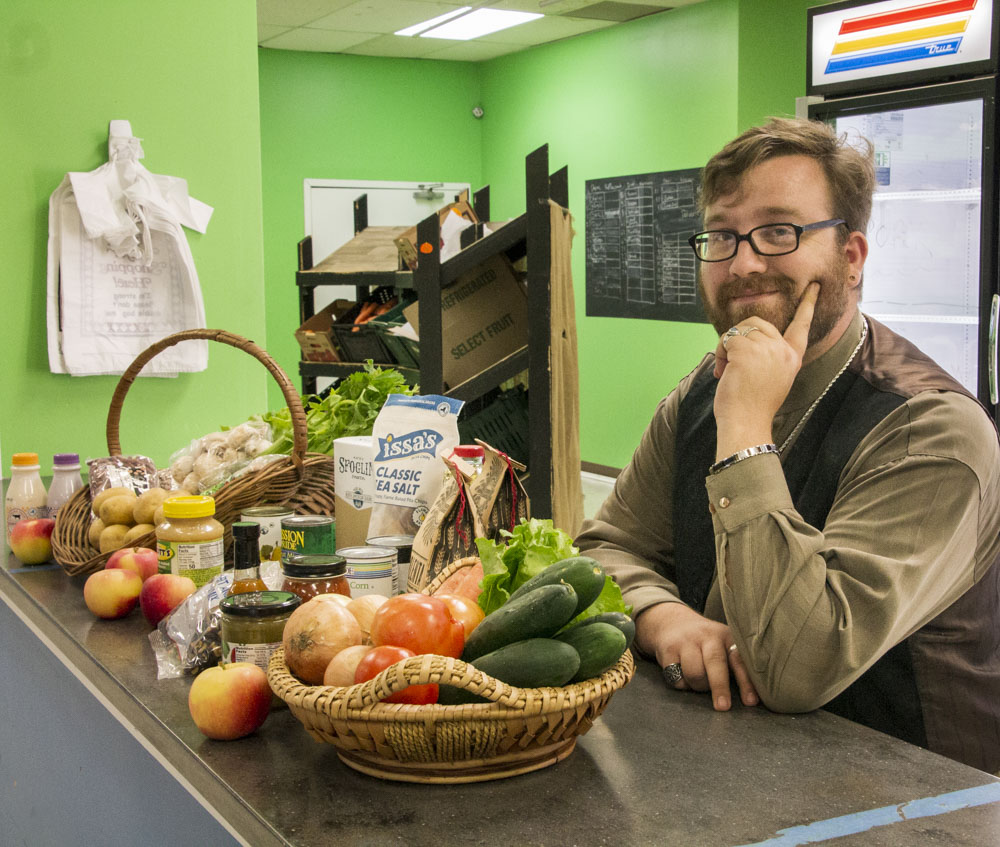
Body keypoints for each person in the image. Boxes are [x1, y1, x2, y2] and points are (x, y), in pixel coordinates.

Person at [575, 117, 1000, 772]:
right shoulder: (698, 395)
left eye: (779, 230)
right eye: (722, 235)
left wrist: (745, 429)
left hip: (912, 800)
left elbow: (799, 666)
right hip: (744, 775)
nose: (744, 262)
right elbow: (606, 547)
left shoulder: (930, 428)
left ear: (851, 258)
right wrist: (663, 617)